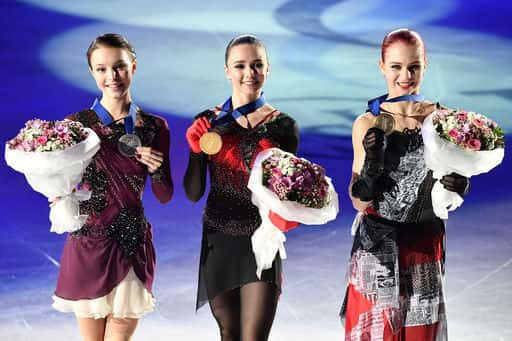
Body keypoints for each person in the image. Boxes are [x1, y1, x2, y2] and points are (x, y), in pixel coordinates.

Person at [340, 28, 469, 340]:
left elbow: (450, 181)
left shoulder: (442, 120)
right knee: (377, 333)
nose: (405, 76)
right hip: (376, 244)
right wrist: (372, 162)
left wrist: (459, 184)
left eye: (414, 67)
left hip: (424, 241)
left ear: (425, 65)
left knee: (420, 334)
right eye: (396, 67)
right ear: (382, 66)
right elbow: (359, 201)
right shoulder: (368, 122)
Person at [51, 33, 173, 341]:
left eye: (119, 67)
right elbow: (61, 181)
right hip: (88, 242)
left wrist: (156, 169)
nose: (112, 76)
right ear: (92, 72)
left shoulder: (153, 127)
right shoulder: (77, 125)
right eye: (102, 69)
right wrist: (55, 192)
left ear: (133, 66)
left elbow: (164, 194)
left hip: (131, 242)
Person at [183, 35, 299, 341]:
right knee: (229, 332)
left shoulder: (283, 126)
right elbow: (193, 193)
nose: (249, 73)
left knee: (254, 337)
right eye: (241, 65)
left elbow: (291, 195)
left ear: (268, 69)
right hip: (219, 236)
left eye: (257, 64)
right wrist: (196, 151)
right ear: (227, 71)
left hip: (261, 239)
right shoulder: (208, 123)